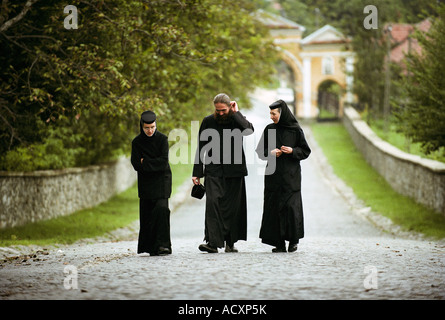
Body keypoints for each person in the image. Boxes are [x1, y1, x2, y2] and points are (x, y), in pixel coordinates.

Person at [192, 93, 254, 253]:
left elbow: (249, 131)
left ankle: (230, 242)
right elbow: (201, 147)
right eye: (217, 110)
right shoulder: (208, 121)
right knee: (213, 205)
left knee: (233, 207)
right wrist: (197, 172)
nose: (220, 113)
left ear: (230, 107)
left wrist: (237, 112)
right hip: (213, 170)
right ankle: (212, 243)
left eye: (223, 110)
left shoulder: (237, 120)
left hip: (235, 171)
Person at [255, 100, 311, 252]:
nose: (271, 116)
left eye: (274, 113)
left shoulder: (295, 130)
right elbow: (260, 152)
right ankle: (278, 243)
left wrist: (292, 151)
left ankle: (293, 241)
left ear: (282, 113)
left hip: (291, 177)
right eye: (270, 113)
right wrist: (271, 153)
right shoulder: (269, 129)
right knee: (274, 209)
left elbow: (305, 151)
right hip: (273, 176)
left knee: (292, 208)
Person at [131, 110, 172, 256]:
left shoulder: (162, 139)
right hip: (146, 184)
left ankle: (163, 245)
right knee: (147, 214)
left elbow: (163, 162)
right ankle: (150, 247)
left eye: (152, 127)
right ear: (142, 127)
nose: (150, 130)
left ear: (156, 125)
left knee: (161, 210)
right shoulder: (136, 142)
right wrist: (149, 163)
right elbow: (136, 164)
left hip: (162, 182)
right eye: (147, 128)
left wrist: (146, 162)